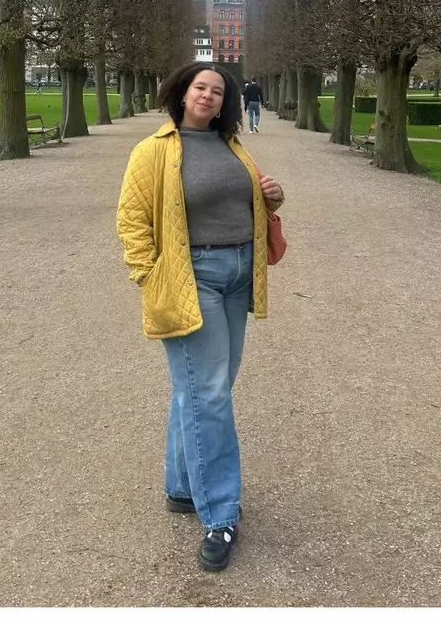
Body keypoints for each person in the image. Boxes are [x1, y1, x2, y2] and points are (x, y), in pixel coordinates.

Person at [115, 63, 285, 573]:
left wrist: (270, 196)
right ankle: (220, 513)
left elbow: (245, 200)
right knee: (208, 391)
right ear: (182, 93)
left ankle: (181, 486)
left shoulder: (233, 144)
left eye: (218, 90)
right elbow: (131, 219)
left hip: (238, 274)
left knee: (203, 386)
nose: (209, 96)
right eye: (201, 88)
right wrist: (151, 276)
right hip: (195, 278)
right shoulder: (154, 150)